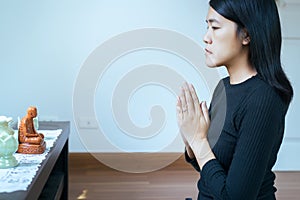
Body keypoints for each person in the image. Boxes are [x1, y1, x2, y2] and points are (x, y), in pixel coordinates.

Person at [176, 0, 293, 199]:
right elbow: (212, 169)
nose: (206, 37)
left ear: (246, 34)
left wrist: (199, 141)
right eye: (207, 26)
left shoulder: (263, 99)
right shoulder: (223, 87)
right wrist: (192, 143)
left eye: (215, 27)